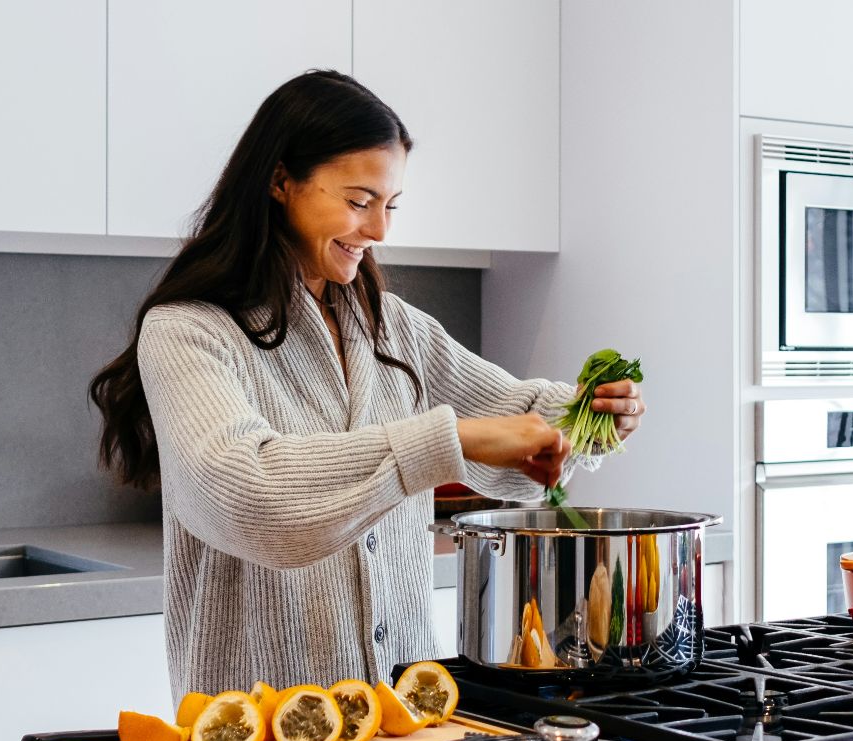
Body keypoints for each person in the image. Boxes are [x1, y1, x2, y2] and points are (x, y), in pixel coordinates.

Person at [89, 70, 644, 695]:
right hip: (259, 729)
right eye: (358, 201)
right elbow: (249, 497)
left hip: (409, 714)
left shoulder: (395, 328)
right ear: (279, 182)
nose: (380, 230)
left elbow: (514, 418)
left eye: (390, 205)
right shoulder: (189, 331)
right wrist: (447, 441)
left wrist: (588, 415)